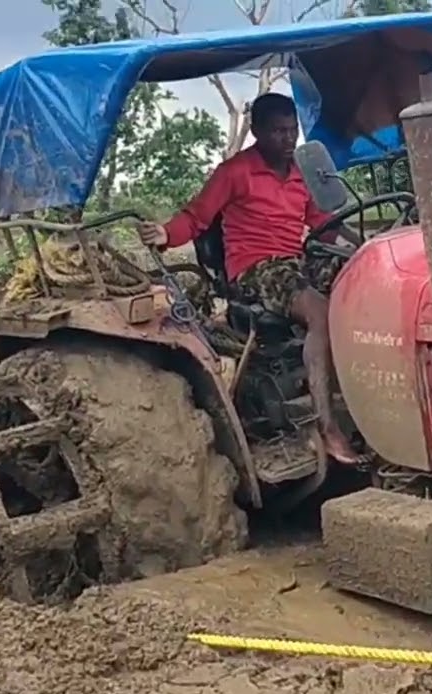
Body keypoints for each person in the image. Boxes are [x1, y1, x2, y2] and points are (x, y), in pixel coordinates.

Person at [137, 92, 362, 465]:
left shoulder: (301, 175)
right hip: (255, 268)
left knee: (360, 278)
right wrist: (165, 233)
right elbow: (196, 217)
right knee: (320, 312)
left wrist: (362, 247)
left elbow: (321, 225)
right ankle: (328, 427)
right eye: (278, 131)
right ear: (257, 131)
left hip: (293, 260)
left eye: (292, 131)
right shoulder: (235, 172)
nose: (288, 139)